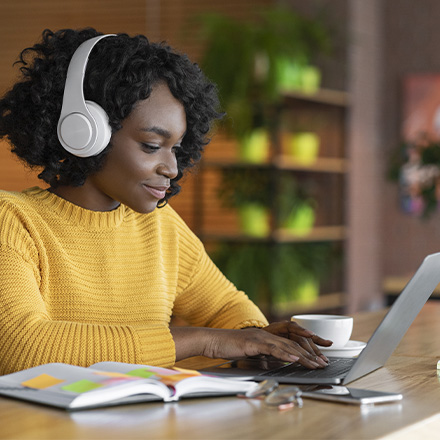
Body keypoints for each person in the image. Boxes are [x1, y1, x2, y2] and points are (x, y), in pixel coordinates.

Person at [0, 28, 331, 376]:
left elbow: (226, 307)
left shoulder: (160, 224)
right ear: (83, 132)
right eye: (151, 145)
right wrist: (207, 341)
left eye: (175, 148)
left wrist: (258, 339)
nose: (172, 167)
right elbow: (22, 346)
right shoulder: (13, 221)